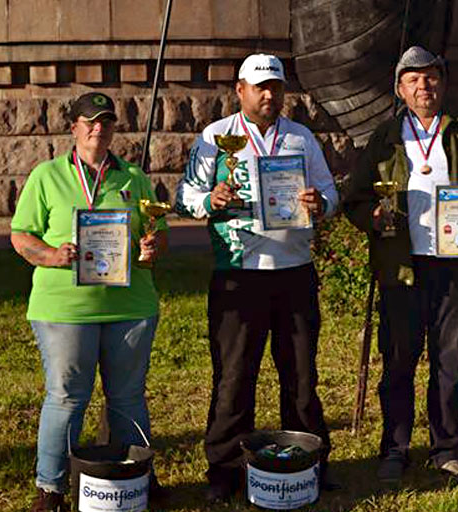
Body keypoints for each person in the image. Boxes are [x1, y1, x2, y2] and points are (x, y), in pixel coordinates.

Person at [343, 46, 458, 482]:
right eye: (414, 79)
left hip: (454, 264)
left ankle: (447, 446)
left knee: (451, 358)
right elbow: (355, 198)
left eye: (432, 77)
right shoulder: (384, 136)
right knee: (398, 357)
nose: (424, 86)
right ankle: (395, 449)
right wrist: (372, 217)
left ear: (443, 83)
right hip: (401, 265)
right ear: (400, 88)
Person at [175, 53, 339, 502]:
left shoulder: (301, 138)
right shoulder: (216, 137)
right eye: (260, 87)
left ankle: (309, 462)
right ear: (240, 90)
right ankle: (225, 470)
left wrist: (319, 201)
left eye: (277, 87)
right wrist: (211, 200)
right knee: (234, 376)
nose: (269, 95)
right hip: (239, 274)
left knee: (301, 376)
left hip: (294, 272)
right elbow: (183, 195)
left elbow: (330, 190)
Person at [10, 92, 168, 511]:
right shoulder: (47, 176)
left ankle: (137, 478)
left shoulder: (134, 178)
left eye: (107, 121)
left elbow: (157, 232)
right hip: (65, 309)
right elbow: (20, 235)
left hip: (130, 307)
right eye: (90, 121)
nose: (99, 128)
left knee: (129, 396)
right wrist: (51, 255)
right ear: (74, 127)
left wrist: (151, 248)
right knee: (66, 396)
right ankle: (51, 487)